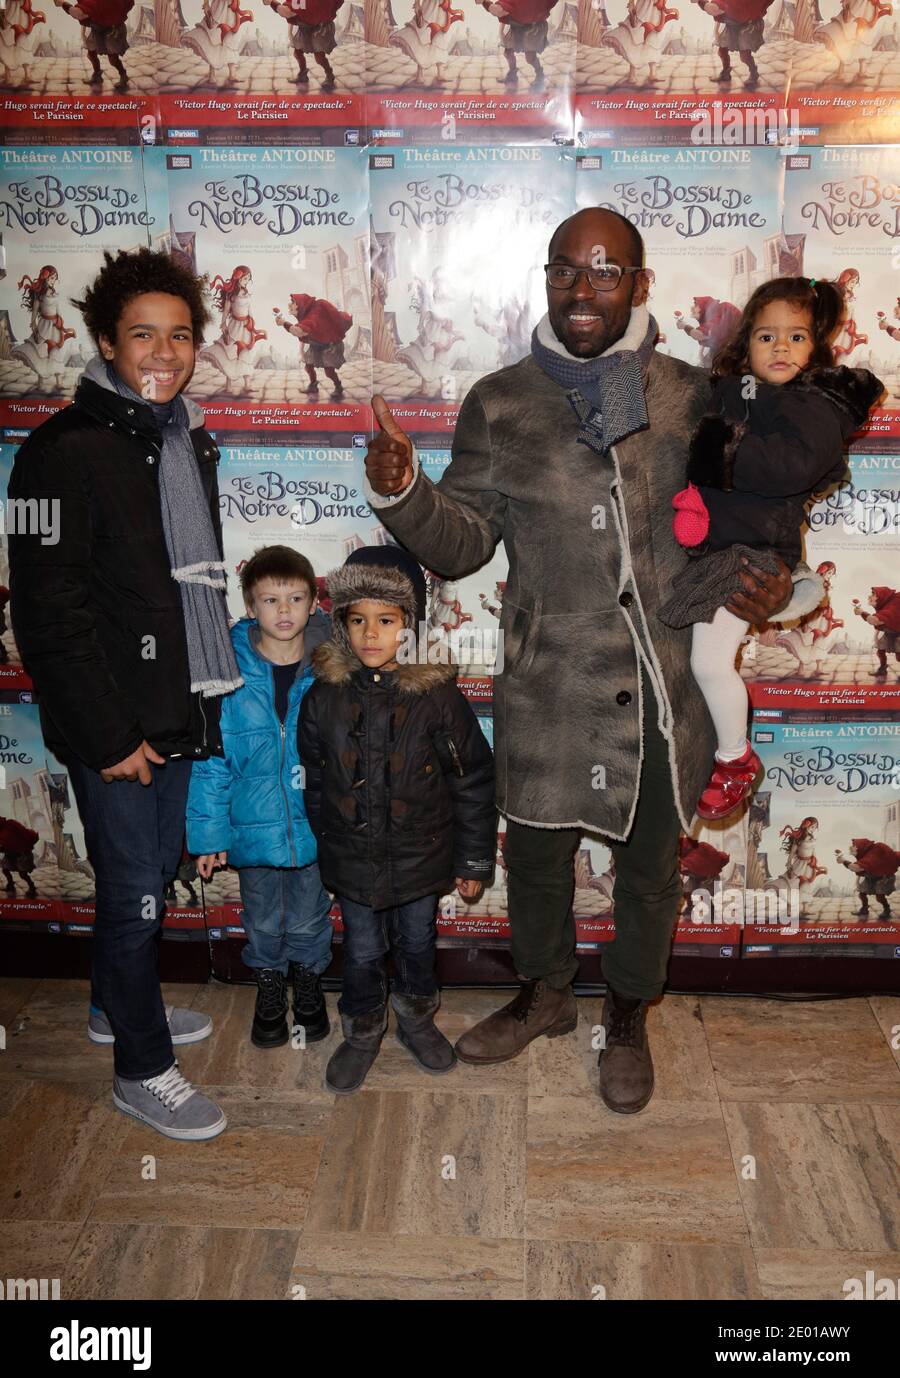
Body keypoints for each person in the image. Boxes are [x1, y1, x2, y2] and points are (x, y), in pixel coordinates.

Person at [362, 206, 821, 1115]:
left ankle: (626, 1013)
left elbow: (754, 507)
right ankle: (542, 996)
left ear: (640, 285)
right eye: (566, 269)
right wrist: (401, 490)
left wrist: (776, 580)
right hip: (548, 677)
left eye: (606, 271)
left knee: (650, 864)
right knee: (534, 858)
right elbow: (460, 544)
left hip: (661, 678)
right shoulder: (500, 400)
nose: (583, 289)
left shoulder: (695, 394)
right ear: (545, 277)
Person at [8, 248, 241, 1142]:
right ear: (105, 340)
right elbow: (45, 613)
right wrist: (109, 737)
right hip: (114, 725)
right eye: (143, 333)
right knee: (137, 889)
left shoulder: (185, 438)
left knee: (141, 877)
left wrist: (194, 711)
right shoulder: (51, 453)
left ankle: (114, 1005)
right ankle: (140, 1067)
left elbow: (191, 591)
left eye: (180, 335)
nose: (164, 350)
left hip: (175, 704)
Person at [659, 277, 883, 819]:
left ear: (817, 349)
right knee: (696, 659)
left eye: (796, 337)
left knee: (711, 664)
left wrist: (717, 451)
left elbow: (791, 468)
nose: (780, 348)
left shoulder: (812, 402)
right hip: (724, 548)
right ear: (745, 344)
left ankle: (735, 759)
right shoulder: (740, 391)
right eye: (766, 337)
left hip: (754, 556)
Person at [298, 545, 496, 1095]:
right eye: (357, 620)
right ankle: (362, 1030)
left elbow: (472, 779)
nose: (370, 634)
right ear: (340, 624)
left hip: (421, 859)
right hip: (353, 861)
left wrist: (474, 858)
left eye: (385, 620)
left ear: (410, 625)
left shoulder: (436, 698)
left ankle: (415, 1019)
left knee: (415, 943)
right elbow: (316, 779)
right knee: (361, 949)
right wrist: (328, 846)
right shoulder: (324, 697)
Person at [186, 544, 335, 1049]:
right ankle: (270, 983)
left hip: (316, 828)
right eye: (270, 600)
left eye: (295, 598)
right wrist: (208, 836)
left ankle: (309, 981)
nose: (284, 611)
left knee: (313, 915)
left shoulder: (333, 670)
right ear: (250, 607)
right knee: (264, 917)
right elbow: (211, 763)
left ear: (314, 603)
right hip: (251, 833)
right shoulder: (227, 676)